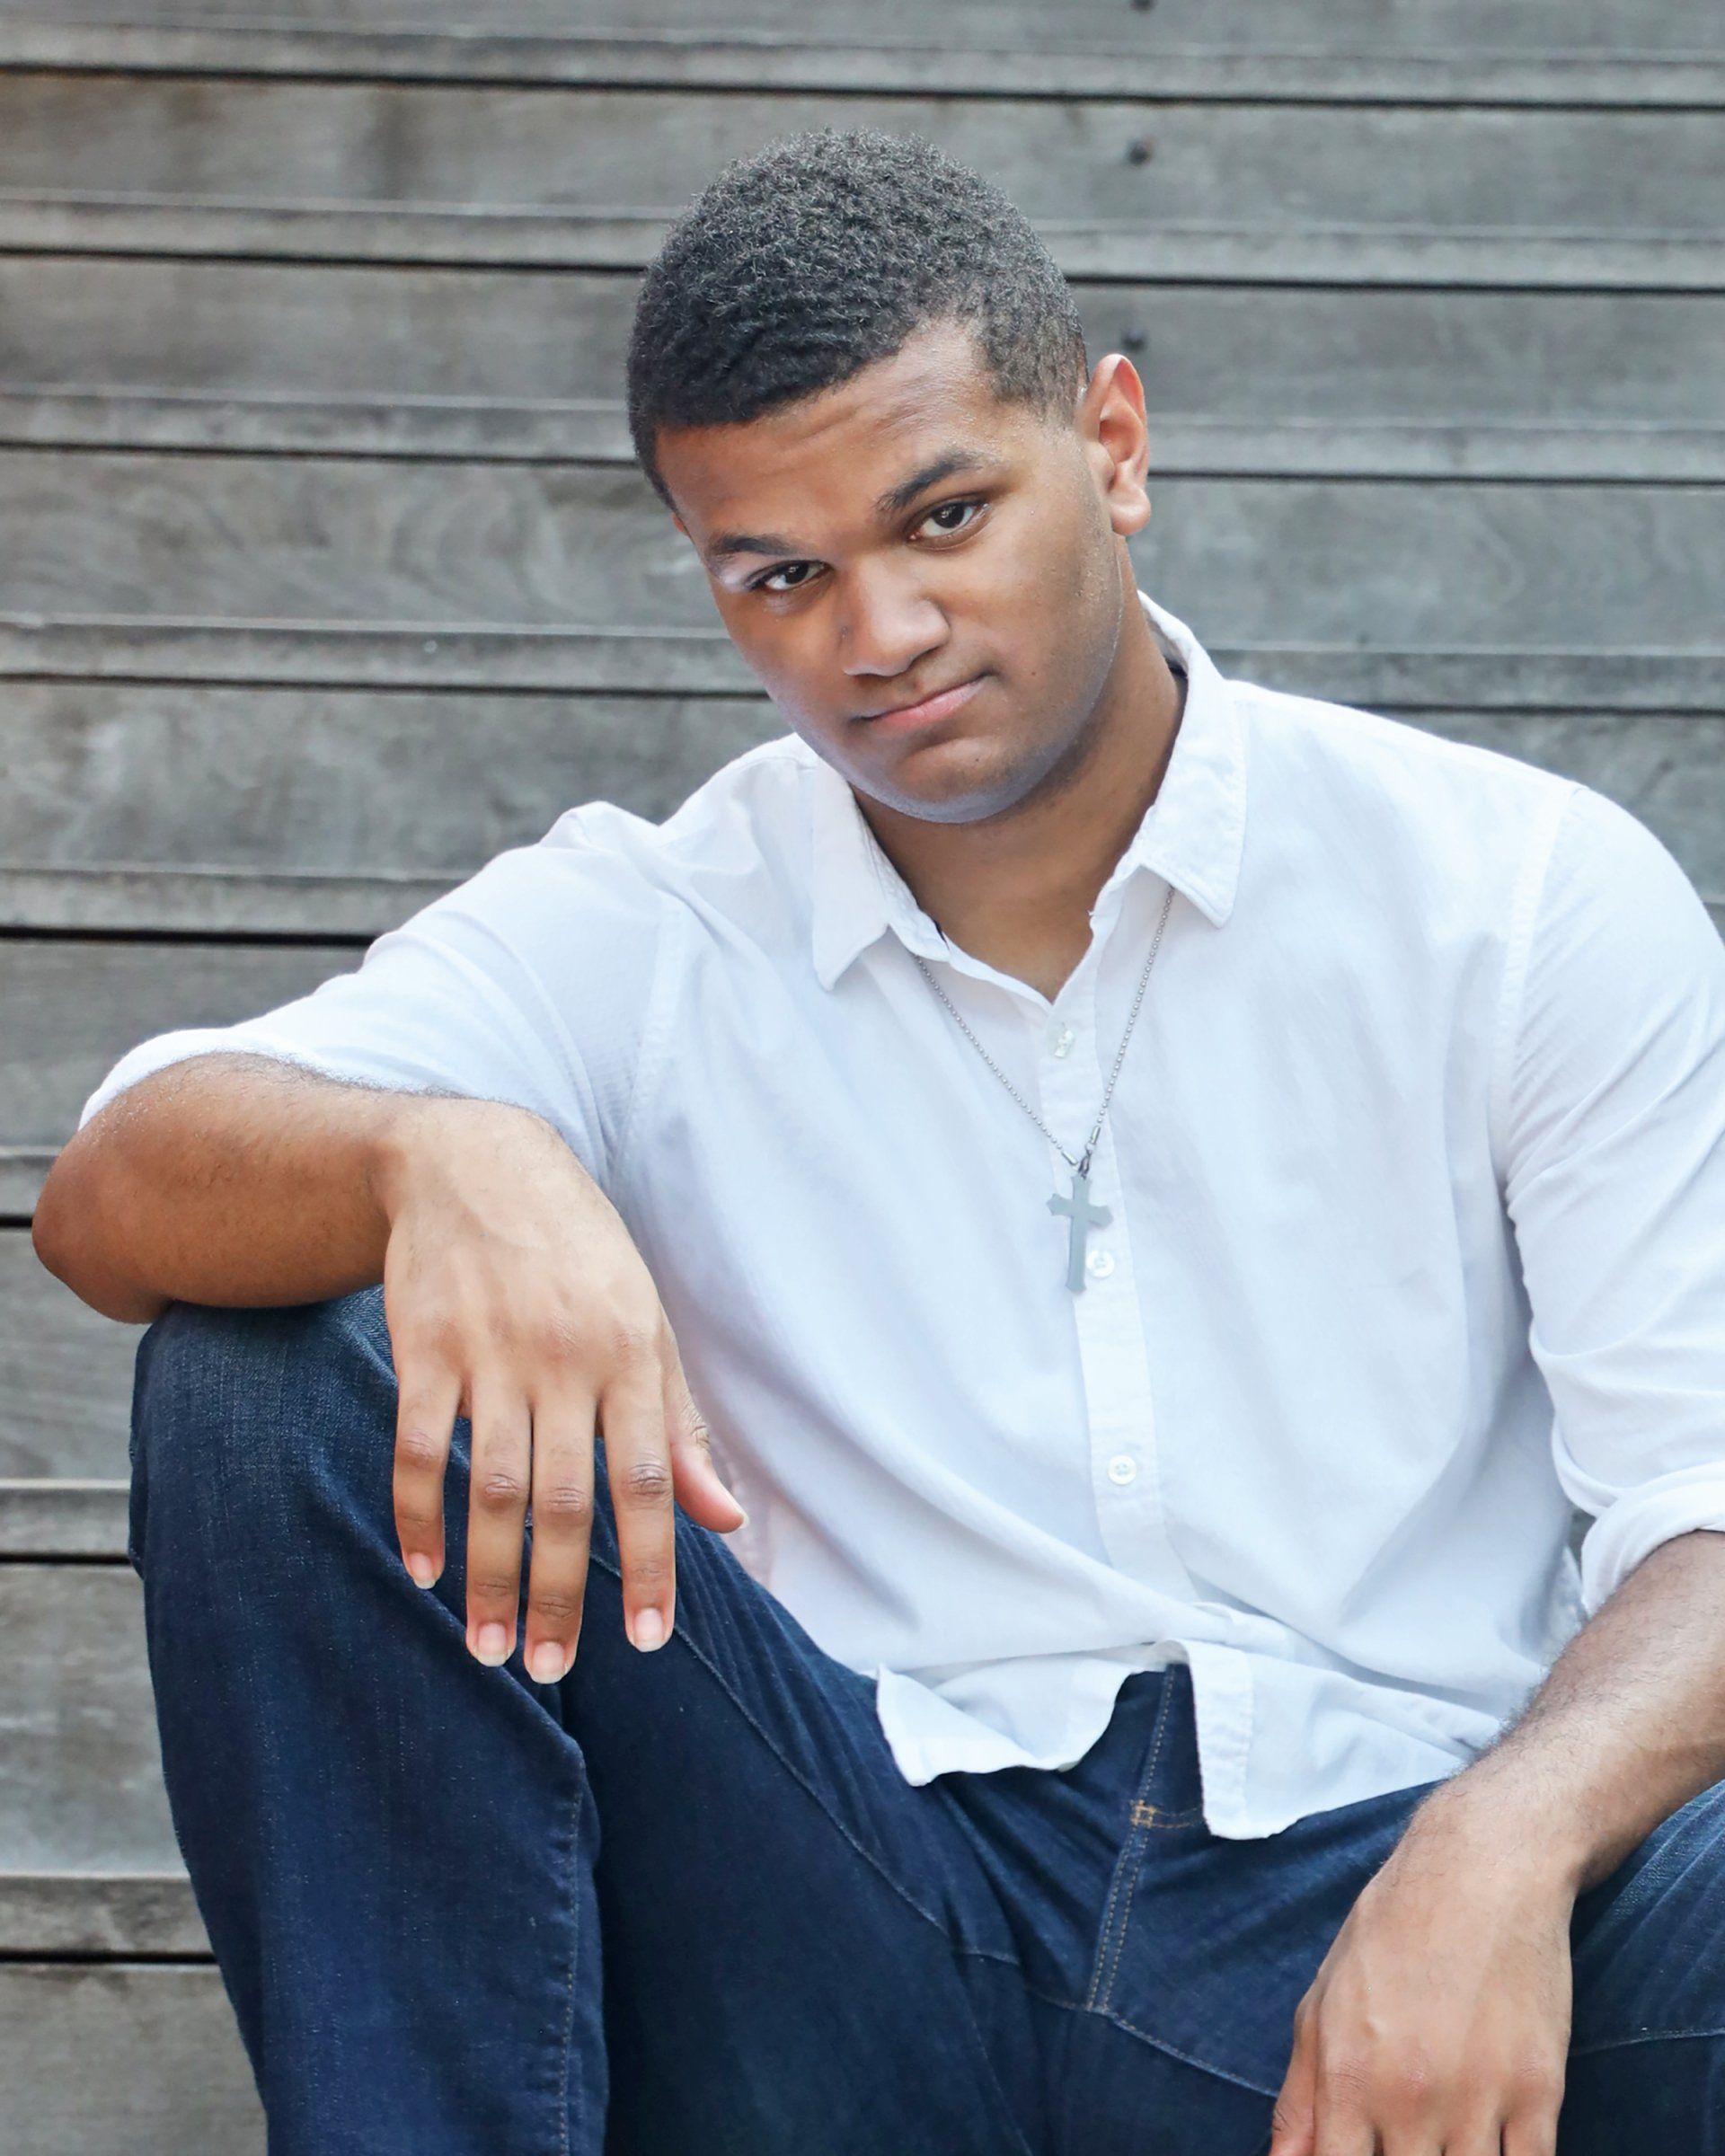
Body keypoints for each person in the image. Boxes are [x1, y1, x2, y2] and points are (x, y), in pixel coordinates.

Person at [33, 125, 1725, 2156]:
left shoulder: (1518, 894)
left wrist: (1505, 1852)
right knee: (264, 1369)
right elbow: (122, 1177)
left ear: (1111, 442)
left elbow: (1701, 1509)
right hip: (847, 1923)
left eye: (943, 516)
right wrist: (438, 1158)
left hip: (1390, 1935)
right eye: (785, 572)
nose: (880, 631)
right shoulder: (650, 925)